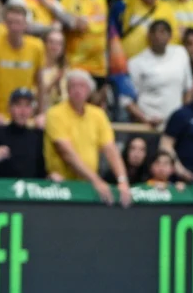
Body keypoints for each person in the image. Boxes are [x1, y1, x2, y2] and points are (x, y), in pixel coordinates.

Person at [44, 69, 133, 207]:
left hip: (87, 185)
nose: (77, 90)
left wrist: (122, 181)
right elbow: (67, 153)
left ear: (89, 90)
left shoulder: (98, 115)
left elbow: (110, 149)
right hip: (62, 185)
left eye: (81, 86)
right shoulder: (55, 113)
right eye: (72, 86)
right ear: (67, 90)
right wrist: (96, 181)